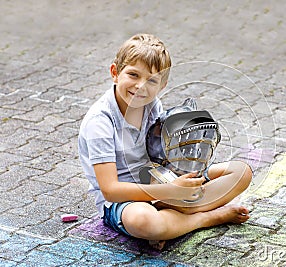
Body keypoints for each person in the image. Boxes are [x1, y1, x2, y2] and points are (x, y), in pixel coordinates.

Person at [78, 33, 252, 249]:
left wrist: (181, 175)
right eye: (133, 74)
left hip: (158, 181)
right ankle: (208, 217)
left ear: (163, 84)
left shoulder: (152, 106)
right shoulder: (100, 122)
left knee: (240, 172)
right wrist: (171, 192)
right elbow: (110, 190)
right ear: (115, 73)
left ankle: (177, 217)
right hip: (123, 200)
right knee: (145, 221)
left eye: (152, 80)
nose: (141, 86)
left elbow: (159, 159)